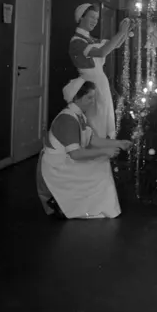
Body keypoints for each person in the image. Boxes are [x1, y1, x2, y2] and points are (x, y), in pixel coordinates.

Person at [37, 78, 132, 219]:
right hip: (57, 166)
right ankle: (84, 206)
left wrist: (118, 143)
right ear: (76, 98)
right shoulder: (67, 119)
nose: (93, 101)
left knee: (102, 163)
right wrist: (105, 151)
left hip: (65, 160)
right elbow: (75, 154)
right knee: (100, 165)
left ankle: (96, 205)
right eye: (89, 98)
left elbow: (92, 140)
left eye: (93, 97)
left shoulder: (79, 115)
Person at [69, 3, 131, 139]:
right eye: (92, 17)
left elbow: (116, 44)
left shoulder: (91, 39)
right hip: (89, 84)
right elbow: (102, 52)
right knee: (95, 118)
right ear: (81, 17)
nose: (95, 21)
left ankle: (101, 144)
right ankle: (94, 146)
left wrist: (127, 29)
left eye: (96, 18)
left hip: (100, 82)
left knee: (103, 115)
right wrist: (121, 32)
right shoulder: (77, 41)